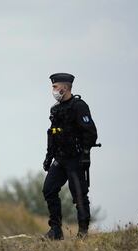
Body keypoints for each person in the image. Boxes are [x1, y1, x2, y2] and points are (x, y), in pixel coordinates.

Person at [42, 73, 98, 240]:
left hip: (76, 158)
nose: (53, 90)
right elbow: (52, 135)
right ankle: (56, 231)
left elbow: (91, 133)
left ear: (64, 88)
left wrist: (86, 154)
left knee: (79, 194)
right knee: (49, 189)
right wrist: (48, 157)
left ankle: (83, 231)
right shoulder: (55, 109)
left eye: (54, 87)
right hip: (60, 159)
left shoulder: (79, 106)